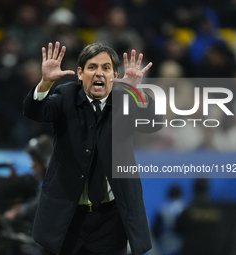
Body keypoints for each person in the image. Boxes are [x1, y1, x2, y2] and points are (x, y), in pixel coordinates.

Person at [23, 41, 163, 255]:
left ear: (115, 75)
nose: (99, 73)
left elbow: (154, 122)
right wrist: (44, 84)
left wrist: (137, 91)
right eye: (92, 67)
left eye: (106, 68)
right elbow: (35, 111)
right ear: (80, 73)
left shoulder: (126, 98)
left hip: (110, 219)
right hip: (68, 217)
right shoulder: (65, 95)